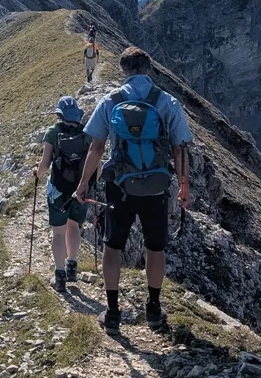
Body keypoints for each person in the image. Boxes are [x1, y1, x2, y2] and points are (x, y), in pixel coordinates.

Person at [75, 47, 193, 336]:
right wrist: (184, 187)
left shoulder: (110, 101)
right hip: (156, 187)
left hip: (120, 187)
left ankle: (113, 313)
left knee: (112, 246)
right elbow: (180, 148)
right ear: (149, 69)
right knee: (156, 247)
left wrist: (83, 183)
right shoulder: (168, 102)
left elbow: (97, 147)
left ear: (124, 70)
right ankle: (153, 308)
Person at [36, 96, 92, 293]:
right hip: (81, 191)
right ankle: (72, 267)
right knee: (74, 226)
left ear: (59, 114)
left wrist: (37, 172)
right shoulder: (87, 133)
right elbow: (97, 166)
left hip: (59, 190)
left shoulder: (53, 132)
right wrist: (87, 185)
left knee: (58, 233)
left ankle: (59, 277)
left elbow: (44, 165)